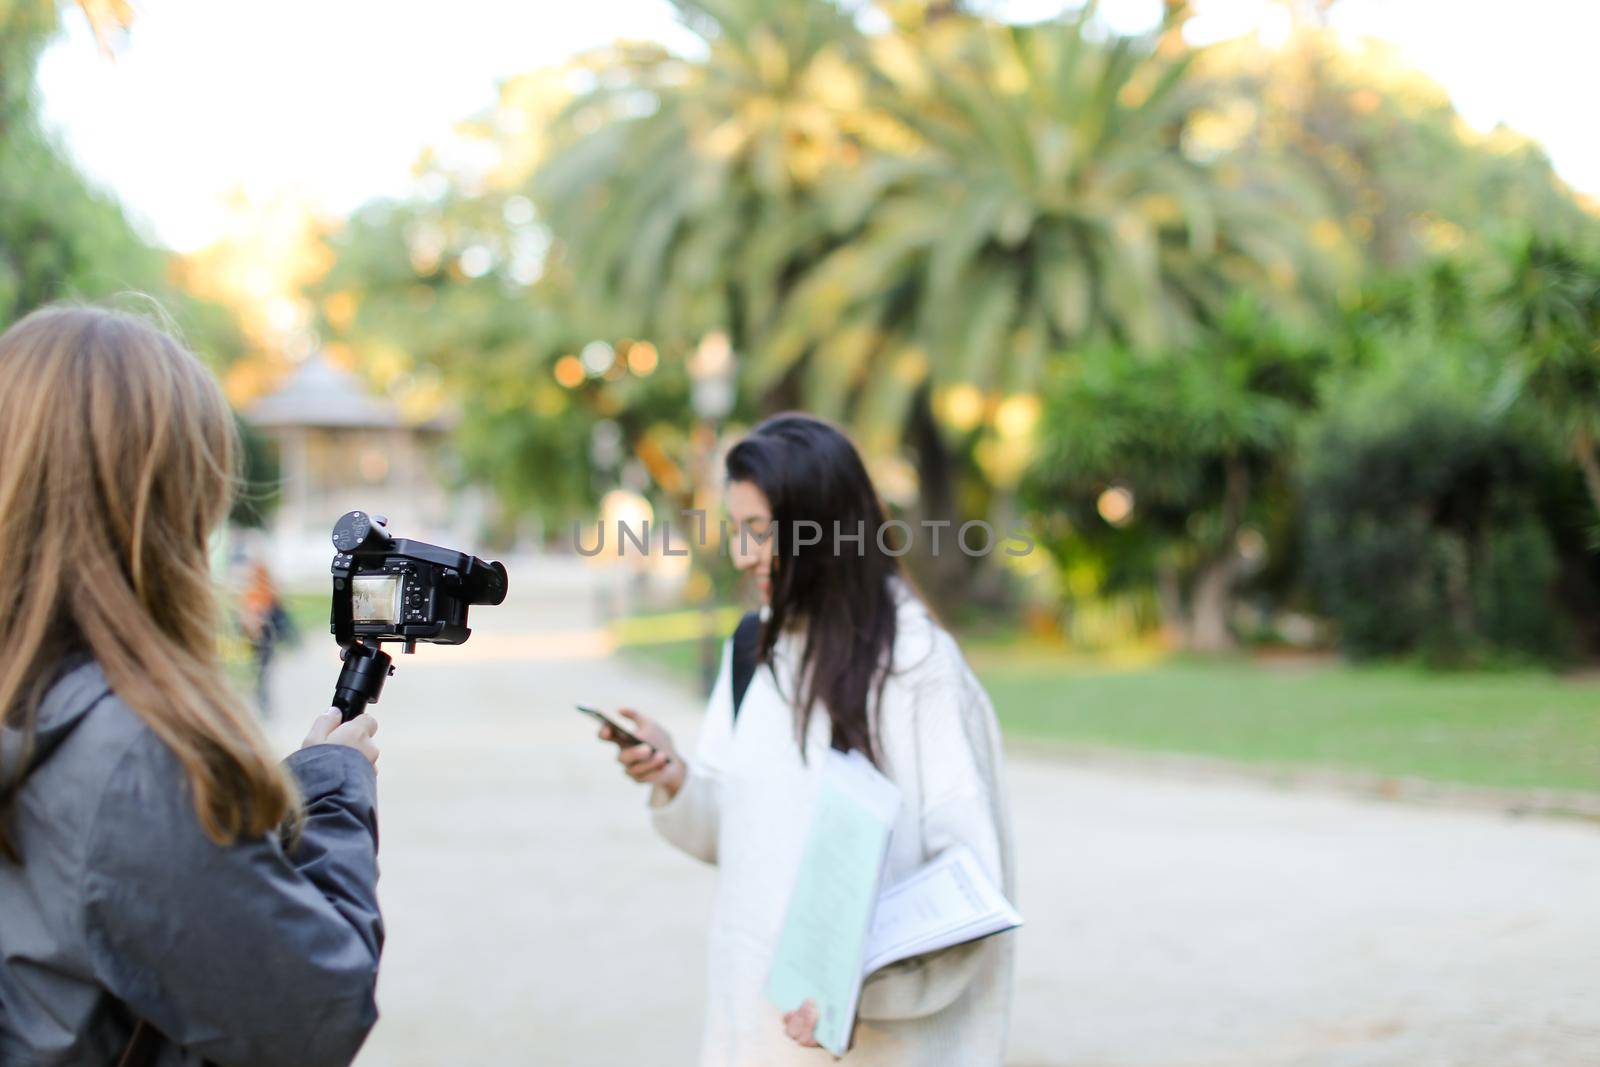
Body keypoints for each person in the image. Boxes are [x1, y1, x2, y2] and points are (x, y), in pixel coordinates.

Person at [0, 306, 384, 1067]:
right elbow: (314, 1016)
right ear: (162, 503)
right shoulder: (125, 760)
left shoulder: (35, 709)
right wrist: (332, 796)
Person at [598, 413, 1017, 1066]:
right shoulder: (754, 646)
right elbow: (734, 834)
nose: (742, 554)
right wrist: (675, 776)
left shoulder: (917, 666)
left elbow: (969, 885)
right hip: (757, 1033)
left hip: (886, 1043)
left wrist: (851, 981)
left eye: (760, 533)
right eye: (737, 531)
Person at [238, 559, 294, 716]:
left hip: (263, 639)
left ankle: (263, 702)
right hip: (262, 639)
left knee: (262, 672)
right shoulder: (260, 591)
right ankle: (263, 702)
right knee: (262, 672)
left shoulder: (262, 591)